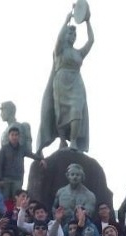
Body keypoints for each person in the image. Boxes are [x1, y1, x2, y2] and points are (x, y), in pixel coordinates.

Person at [36, 9, 93, 153]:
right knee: (60, 112)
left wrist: (87, 21)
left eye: (74, 34)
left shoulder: (78, 53)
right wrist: (66, 20)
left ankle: (73, 140)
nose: (73, 36)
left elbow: (91, 41)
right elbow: (58, 39)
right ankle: (62, 140)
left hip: (76, 83)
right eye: (70, 33)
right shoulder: (59, 51)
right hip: (61, 82)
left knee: (76, 110)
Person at [0, 126, 45, 200]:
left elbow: (31, 154)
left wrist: (41, 159)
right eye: (12, 135)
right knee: (4, 200)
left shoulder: (22, 149)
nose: (14, 137)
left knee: (17, 200)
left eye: (16, 135)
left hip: (18, 178)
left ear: (19, 136)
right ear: (9, 136)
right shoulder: (4, 149)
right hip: (5, 179)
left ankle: (16, 212)